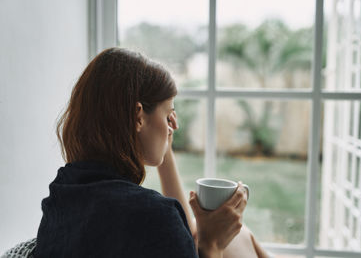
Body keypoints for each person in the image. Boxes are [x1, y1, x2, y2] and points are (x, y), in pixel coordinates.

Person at [33, 47, 270, 258]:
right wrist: (212, 245)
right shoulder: (153, 216)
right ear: (138, 116)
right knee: (240, 238)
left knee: (239, 237)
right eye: (168, 115)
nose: (171, 127)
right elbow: (176, 233)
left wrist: (165, 150)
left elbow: (180, 237)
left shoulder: (60, 196)